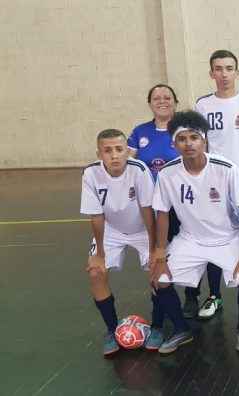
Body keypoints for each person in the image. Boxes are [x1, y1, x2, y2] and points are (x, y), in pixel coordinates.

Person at [150, 110, 239, 353]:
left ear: (204, 139)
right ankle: (180, 329)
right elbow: (162, 213)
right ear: (174, 143)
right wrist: (159, 253)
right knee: (160, 280)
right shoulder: (167, 173)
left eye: (194, 137)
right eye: (182, 139)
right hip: (190, 239)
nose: (189, 144)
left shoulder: (225, 168)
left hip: (227, 238)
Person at [194, 49, 239, 319]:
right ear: (211, 73)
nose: (224, 74)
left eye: (229, 68)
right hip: (214, 185)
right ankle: (214, 296)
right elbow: (200, 142)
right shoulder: (203, 105)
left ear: (237, 72)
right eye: (218, 68)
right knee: (214, 240)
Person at [81, 129, 157, 356]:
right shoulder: (91, 173)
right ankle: (111, 329)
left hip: (142, 228)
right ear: (99, 153)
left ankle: (159, 327)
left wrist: (154, 248)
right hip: (111, 229)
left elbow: (148, 210)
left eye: (119, 149)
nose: (114, 155)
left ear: (127, 151)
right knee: (95, 272)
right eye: (107, 150)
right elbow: (96, 215)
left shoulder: (139, 169)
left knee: (158, 271)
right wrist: (99, 253)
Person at [127, 84, 181, 347]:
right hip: (152, 208)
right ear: (149, 103)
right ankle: (159, 319)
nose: (162, 101)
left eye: (167, 97)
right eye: (156, 98)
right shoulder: (140, 132)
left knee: (183, 254)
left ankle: (191, 300)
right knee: (157, 259)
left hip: (180, 206)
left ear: (175, 102)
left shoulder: (182, 131)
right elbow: (127, 162)